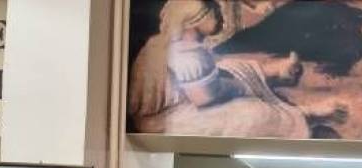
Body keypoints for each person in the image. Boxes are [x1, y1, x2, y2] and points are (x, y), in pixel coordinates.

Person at [128, 0, 324, 138]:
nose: (221, 16)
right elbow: (206, 99)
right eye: (214, 12)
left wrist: (232, 82)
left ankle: (277, 71)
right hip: (168, 120)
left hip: (188, 98)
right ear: (194, 21)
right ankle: (304, 115)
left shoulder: (173, 46)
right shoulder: (188, 56)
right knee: (254, 113)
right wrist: (238, 87)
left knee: (231, 66)